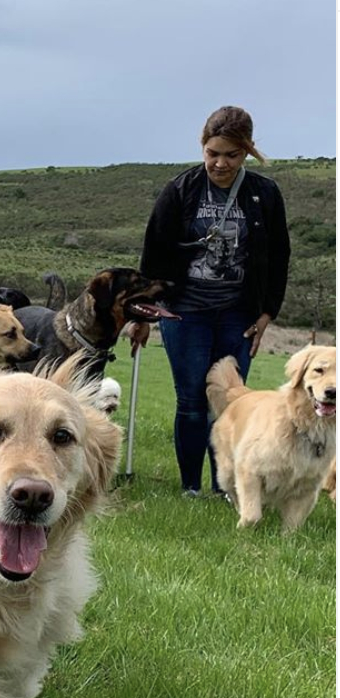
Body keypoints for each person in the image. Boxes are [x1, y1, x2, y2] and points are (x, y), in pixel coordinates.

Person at [127, 106, 290, 497]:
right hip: (185, 312)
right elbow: (154, 257)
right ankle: (190, 488)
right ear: (202, 147)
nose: (220, 163)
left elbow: (279, 256)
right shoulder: (180, 190)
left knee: (232, 399)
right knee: (191, 400)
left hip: (238, 313)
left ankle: (224, 487)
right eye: (212, 153)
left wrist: (267, 312)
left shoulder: (264, 194)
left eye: (231, 155)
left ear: (247, 153)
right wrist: (144, 315)